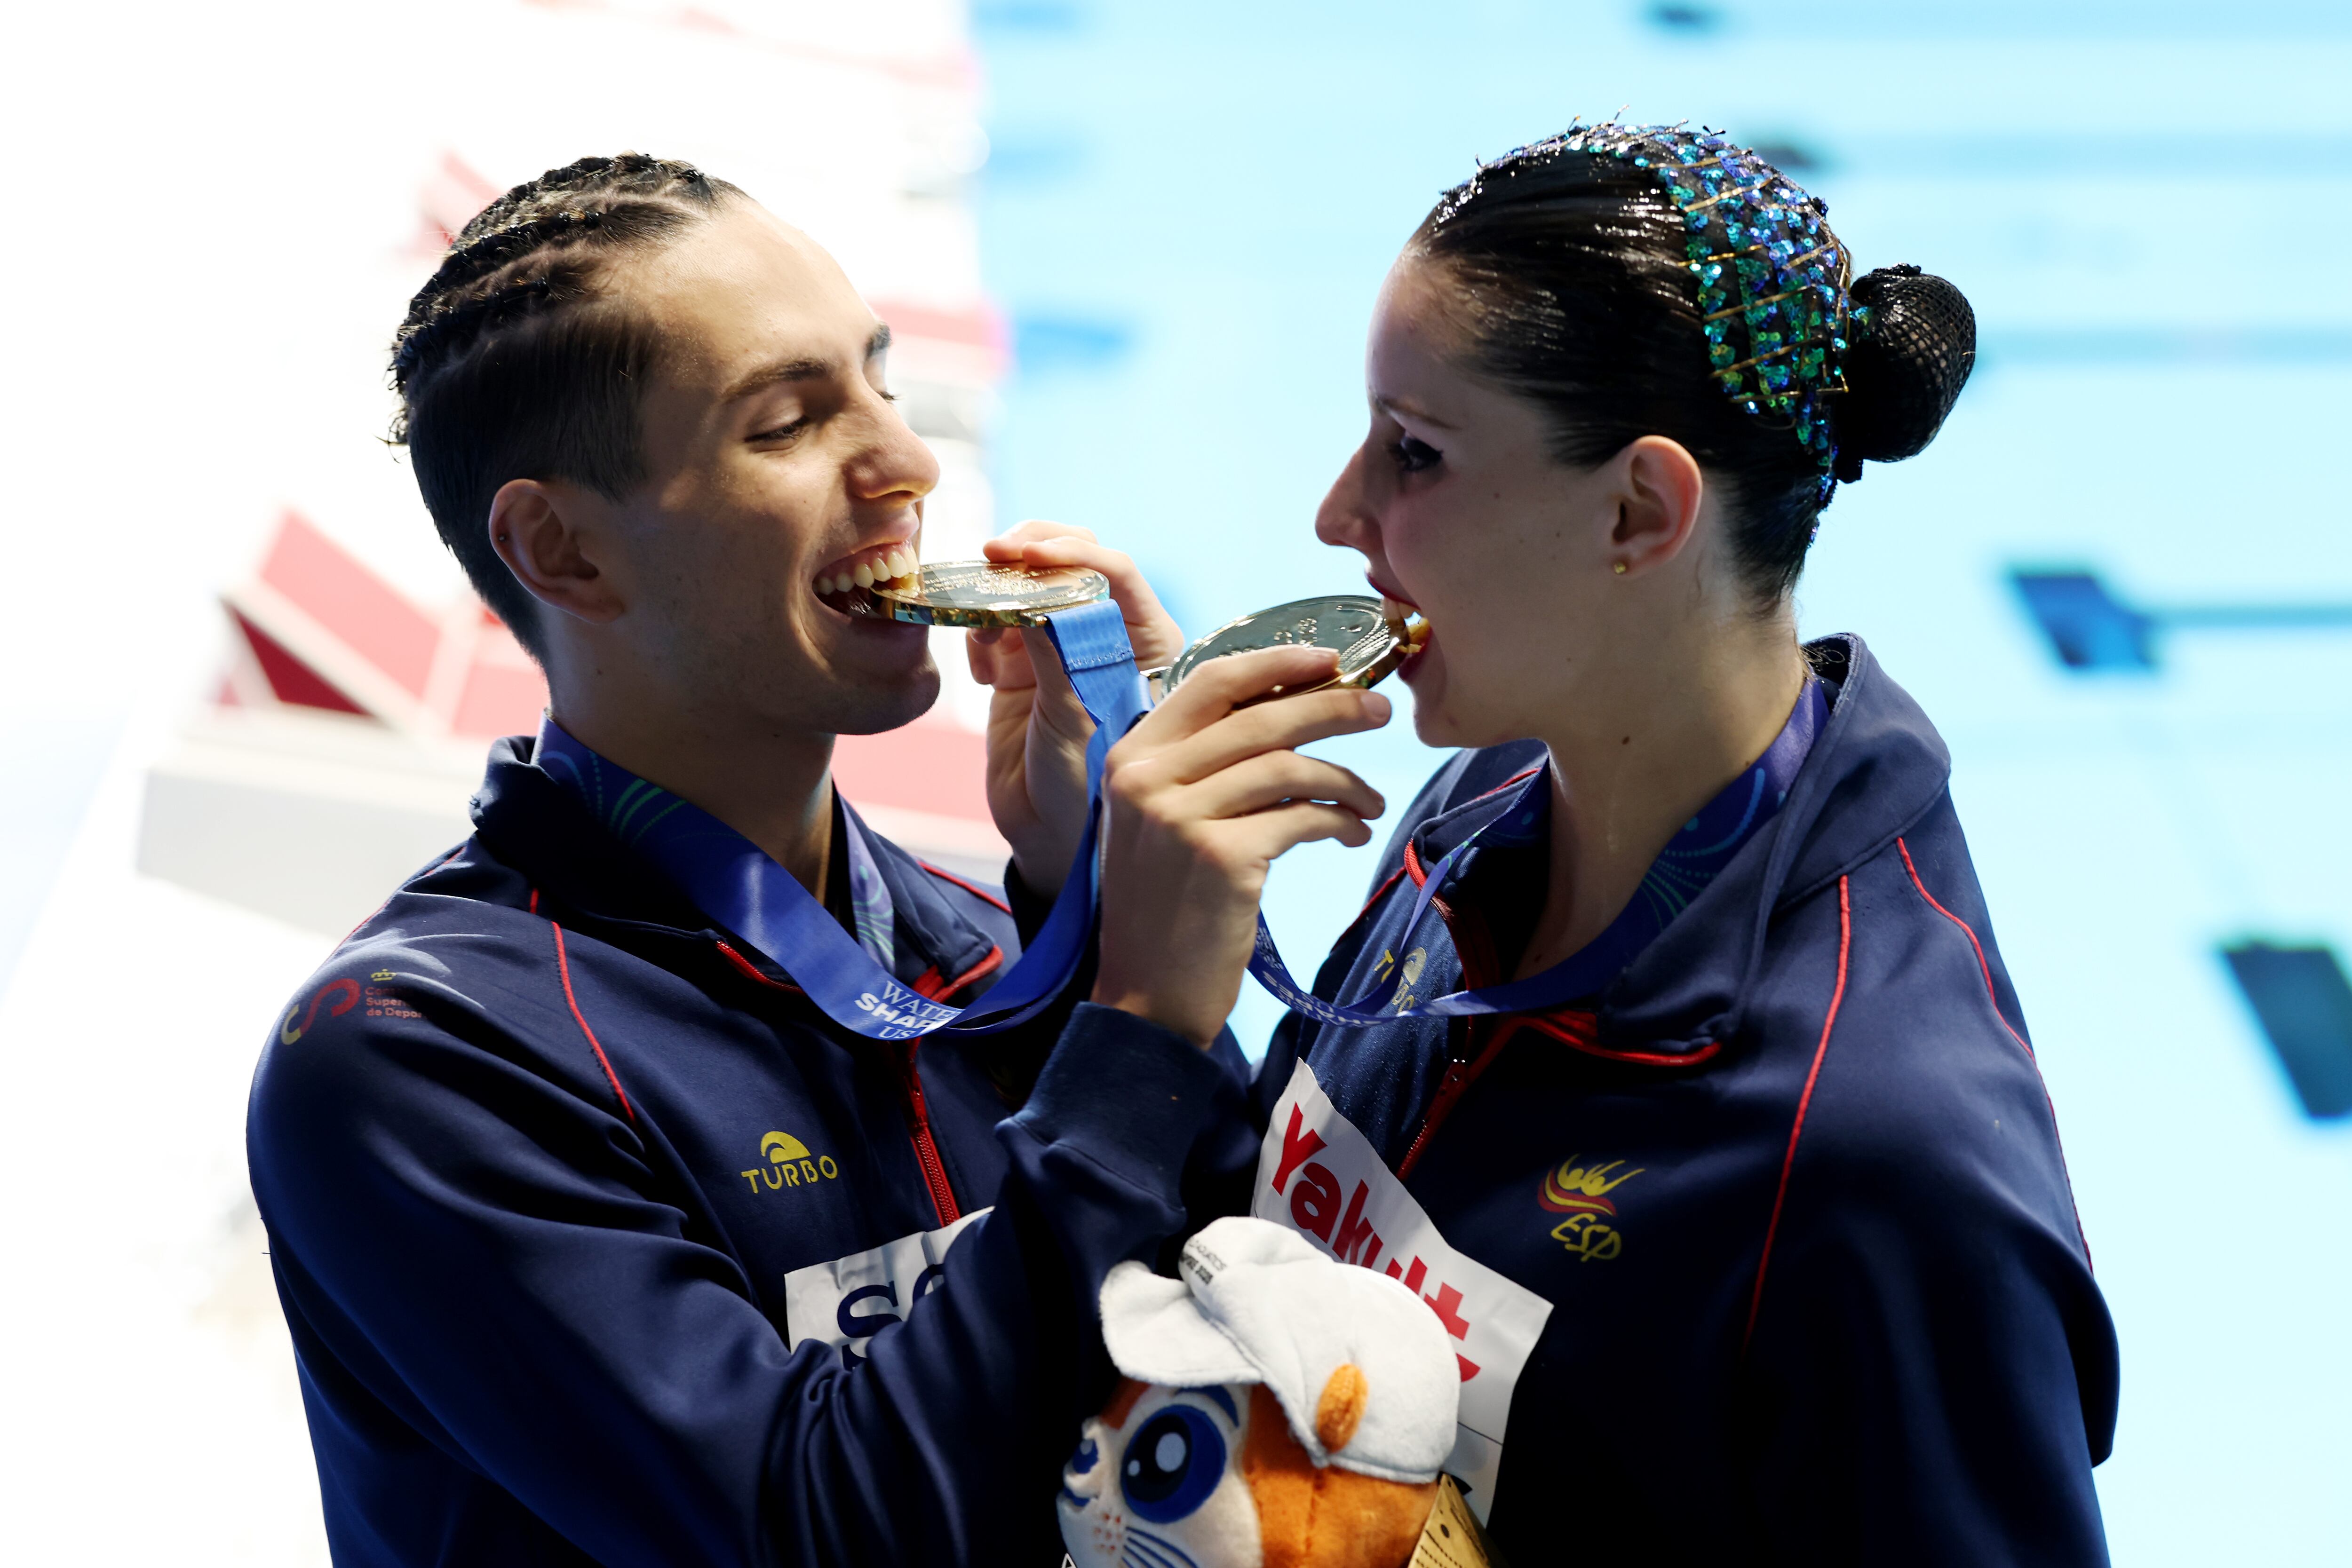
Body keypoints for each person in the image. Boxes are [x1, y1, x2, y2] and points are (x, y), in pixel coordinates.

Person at [243, 153, 1388, 1566]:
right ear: (563, 550)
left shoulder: (980, 952)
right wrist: (1140, 1020)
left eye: (882, 382)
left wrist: (1087, 915)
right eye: (788, 421)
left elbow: (1259, 1346)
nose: (906, 462)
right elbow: (823, 1528)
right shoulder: (414, 1060)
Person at [1073, 126, 2121, 1564]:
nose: (1339, 514)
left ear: (1640, 511)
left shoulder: (1882, 1165)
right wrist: (1110, 914)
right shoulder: (1491, 797)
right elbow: (1279, 1241)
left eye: (1416, 452)